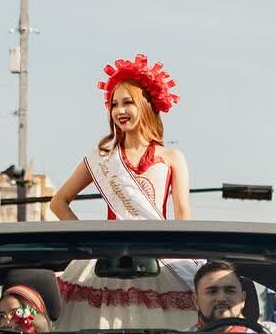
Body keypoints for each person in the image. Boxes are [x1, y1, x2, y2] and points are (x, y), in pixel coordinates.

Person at [49, 54, 191, 222]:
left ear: (146, 105)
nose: (119, 111)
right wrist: (87, 241)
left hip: (155, 247)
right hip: (113, 248)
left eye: (127, 102)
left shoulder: (172, 158)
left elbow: (182, 214)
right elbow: (58, 202)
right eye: (114, 105)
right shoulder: (102, 159)